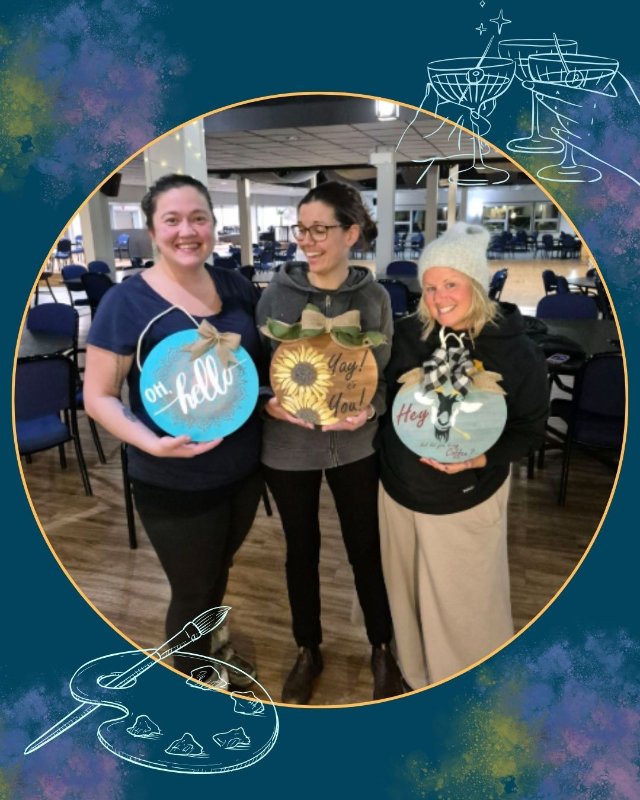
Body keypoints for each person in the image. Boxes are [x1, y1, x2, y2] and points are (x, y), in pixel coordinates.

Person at [83, 173, 264, 686]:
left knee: (218, 572)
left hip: (243, 468)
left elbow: (257, 369)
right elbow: (97, 396)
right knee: (192, 587)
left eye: (199, 218)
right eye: (173, 220)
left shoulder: (235, 287)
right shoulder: (127, 302)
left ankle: (213, 643)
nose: (188, 230)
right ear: (152, 229)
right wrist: (151, 443)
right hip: (173, 480)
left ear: (213, 225)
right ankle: (194, 678)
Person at [377, 222, 549, 691]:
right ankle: (415, 675)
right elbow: (381, 399)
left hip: (468, 497)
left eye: (450, 284)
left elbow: (531, 430)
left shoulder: (515, 349)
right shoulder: (408, 335)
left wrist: (478, 461)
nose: (438, 297)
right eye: (430, 286)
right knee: (408, 596)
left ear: (474, 284)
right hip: (398, 493)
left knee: (465, 604)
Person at [256, 181, 404, 704]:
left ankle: (381, 647)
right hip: (288, 448)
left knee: (366, 547)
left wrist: (370, 410)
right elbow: (261, 374)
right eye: (302, 230)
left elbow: (380, 381)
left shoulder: (374, 297)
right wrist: (268, 402)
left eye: (320, 229)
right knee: (301, 550)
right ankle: (307, 649)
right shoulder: (275, 295)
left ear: (351, 233)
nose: (308, 241)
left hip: (355, 445)